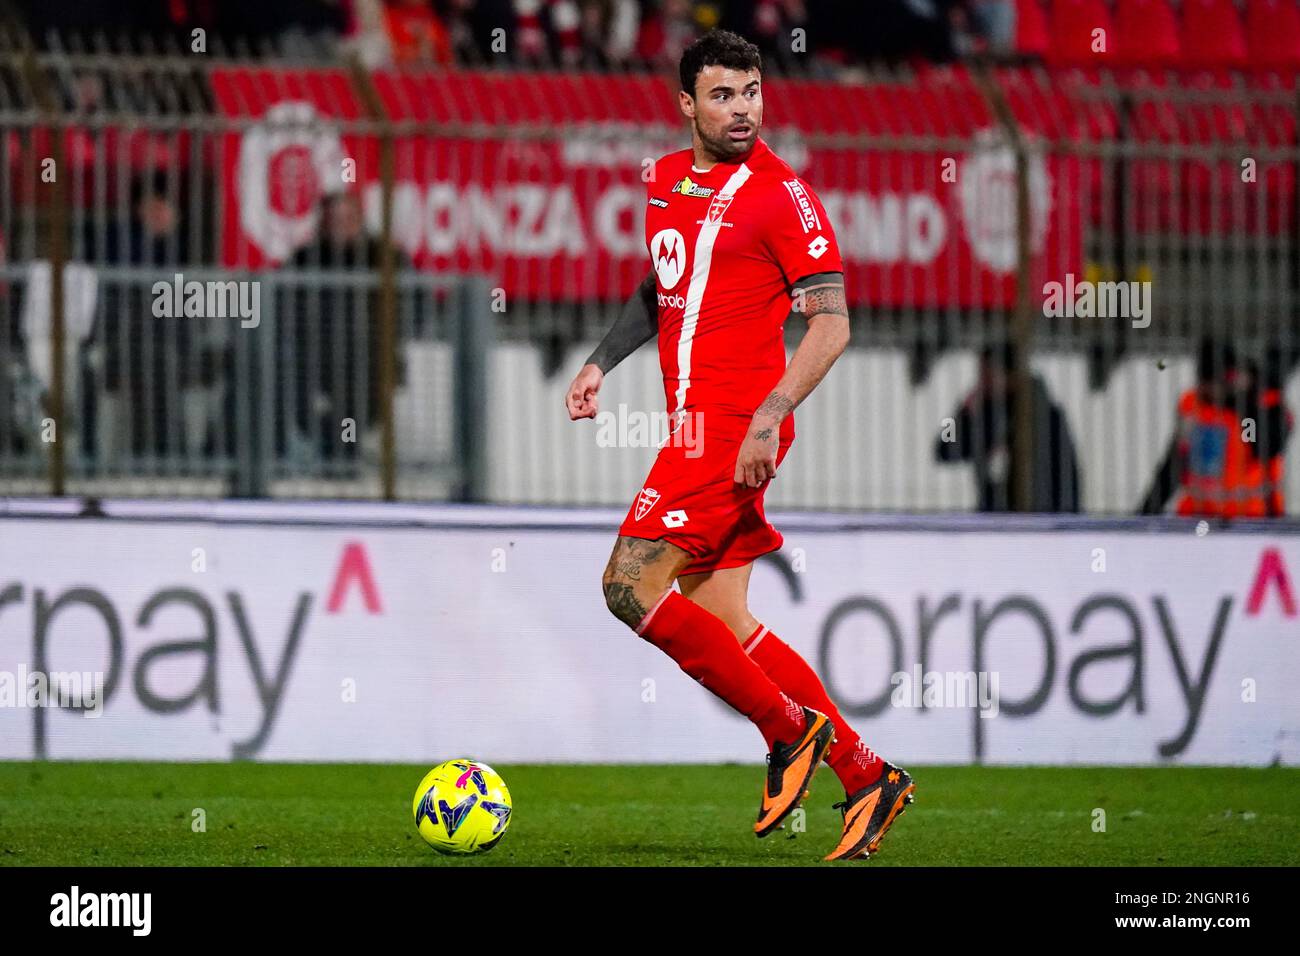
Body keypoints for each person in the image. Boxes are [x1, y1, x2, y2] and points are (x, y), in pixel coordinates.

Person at [563, 29, 913, 862]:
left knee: (627, 585)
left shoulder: (783, 196)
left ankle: (788, 733)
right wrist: (599, 360)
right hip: (697, 425)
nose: (742, 109)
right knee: (723, 613)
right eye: (722, 95)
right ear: (686, 104)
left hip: (733, 427)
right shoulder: (662, 181)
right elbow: (663, 283)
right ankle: (866, 774)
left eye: (751, 93)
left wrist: (770, 412)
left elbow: (832, 322)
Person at [1139, 337, 1292, 518]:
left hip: (1252, 518)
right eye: (1206, 382)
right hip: (1198, 517)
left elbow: (1262, 448)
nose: (1210, 390)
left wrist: (1244, 402)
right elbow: (1176, 462)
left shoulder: (1263, 404)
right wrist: (1146, 513)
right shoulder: (1192, 406)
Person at [935, 340, 1082, 512]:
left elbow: (1063, 476)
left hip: (1042, 517)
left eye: (987, 375)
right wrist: (960, 413)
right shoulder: (986, 413)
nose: (982, 382)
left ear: (1008, 375)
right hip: (999, 517)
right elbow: (943, 449)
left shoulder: (1047, 414)